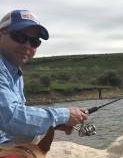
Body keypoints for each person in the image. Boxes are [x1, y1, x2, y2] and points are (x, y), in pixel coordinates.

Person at [0, 9, 88, 145]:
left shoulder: (13, 69)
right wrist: (64, 115)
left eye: (34, 42)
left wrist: (54, 123)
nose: (27, 46)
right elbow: (10, 118)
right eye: (20, 37)